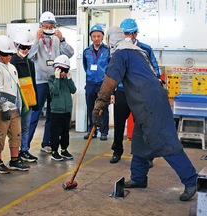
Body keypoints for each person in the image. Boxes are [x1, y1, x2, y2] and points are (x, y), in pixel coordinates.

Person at [92, 26, 198, 201]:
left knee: (164, 139)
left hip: (148, 102)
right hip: (148, 100)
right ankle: (139, 178)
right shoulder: (138, 51)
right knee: (140, 140)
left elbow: (110, 80)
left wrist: (99, 105)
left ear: (110, 40)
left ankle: (191, 180)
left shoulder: (120, 53)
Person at [110, 18, 160, 165]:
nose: (127, 36)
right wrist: (111, 91)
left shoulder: (145, 49)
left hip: (140, 94)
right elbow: (112, 72)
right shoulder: (116, 49)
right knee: (119, 124)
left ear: (136, 34)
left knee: (142, 125)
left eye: (130, 33)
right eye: (124, 33)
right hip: (121, 92)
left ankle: (145, 155)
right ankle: (117, 151)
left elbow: (154, 69)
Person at [27, 11, 74, 153]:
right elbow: (29, 56)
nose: (48, 27)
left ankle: (46, 143)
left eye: (51, 25)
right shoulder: (36, 39)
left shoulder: (57, 39)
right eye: (45, 25)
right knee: (35, 114)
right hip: (40, 82)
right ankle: (25, 146)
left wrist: (63, 39)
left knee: (51, 114)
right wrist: (36, 40)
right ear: (41, 25)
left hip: (55, 81)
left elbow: (70, 54)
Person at [0, 35, 30, 173]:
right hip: (1, 110)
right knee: (0, 136)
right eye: (4, 54)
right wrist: (4, 107)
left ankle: (14, 159)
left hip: (15, 108)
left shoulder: (12, 67)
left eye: (9, 54)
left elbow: (17, 87)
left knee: (16, 135)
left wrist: (20, 105)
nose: (8, 56)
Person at [10, 30, 39, 162]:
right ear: (16, 45)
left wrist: (35, 101)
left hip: (28, 100)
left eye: (28, 47)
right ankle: (14, 155)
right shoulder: (11, 62)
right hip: (16, 100)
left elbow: (33, 82)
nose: (26, 50)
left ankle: (24, 150)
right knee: (16, 128)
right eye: (23, 47)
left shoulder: (30, 63)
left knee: (26, 126)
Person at [82, 24, 110, 141]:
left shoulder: (108, 51)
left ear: (102, 37)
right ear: (91, 37)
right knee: (90, 108)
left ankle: (104, 131)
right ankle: (92, 130)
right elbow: (85, 66)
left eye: (99, 36)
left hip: (102, 84)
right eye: (94, 36)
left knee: (103, 108)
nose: (96, 38)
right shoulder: (86, 51)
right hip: (90, 84)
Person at [48, 55, 76, 161]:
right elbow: (54, 91)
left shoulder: (66, 81)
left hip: (66, 111)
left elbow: (73, 90)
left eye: (65, 70)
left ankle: (64, 149)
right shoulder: (51, 80)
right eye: (61, 70)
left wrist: (69, 79)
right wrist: (57, 78)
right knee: (55, 132)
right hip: (56, 111)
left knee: (65, 132)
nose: (63, 73)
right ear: (56, 69)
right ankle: (54, 151)